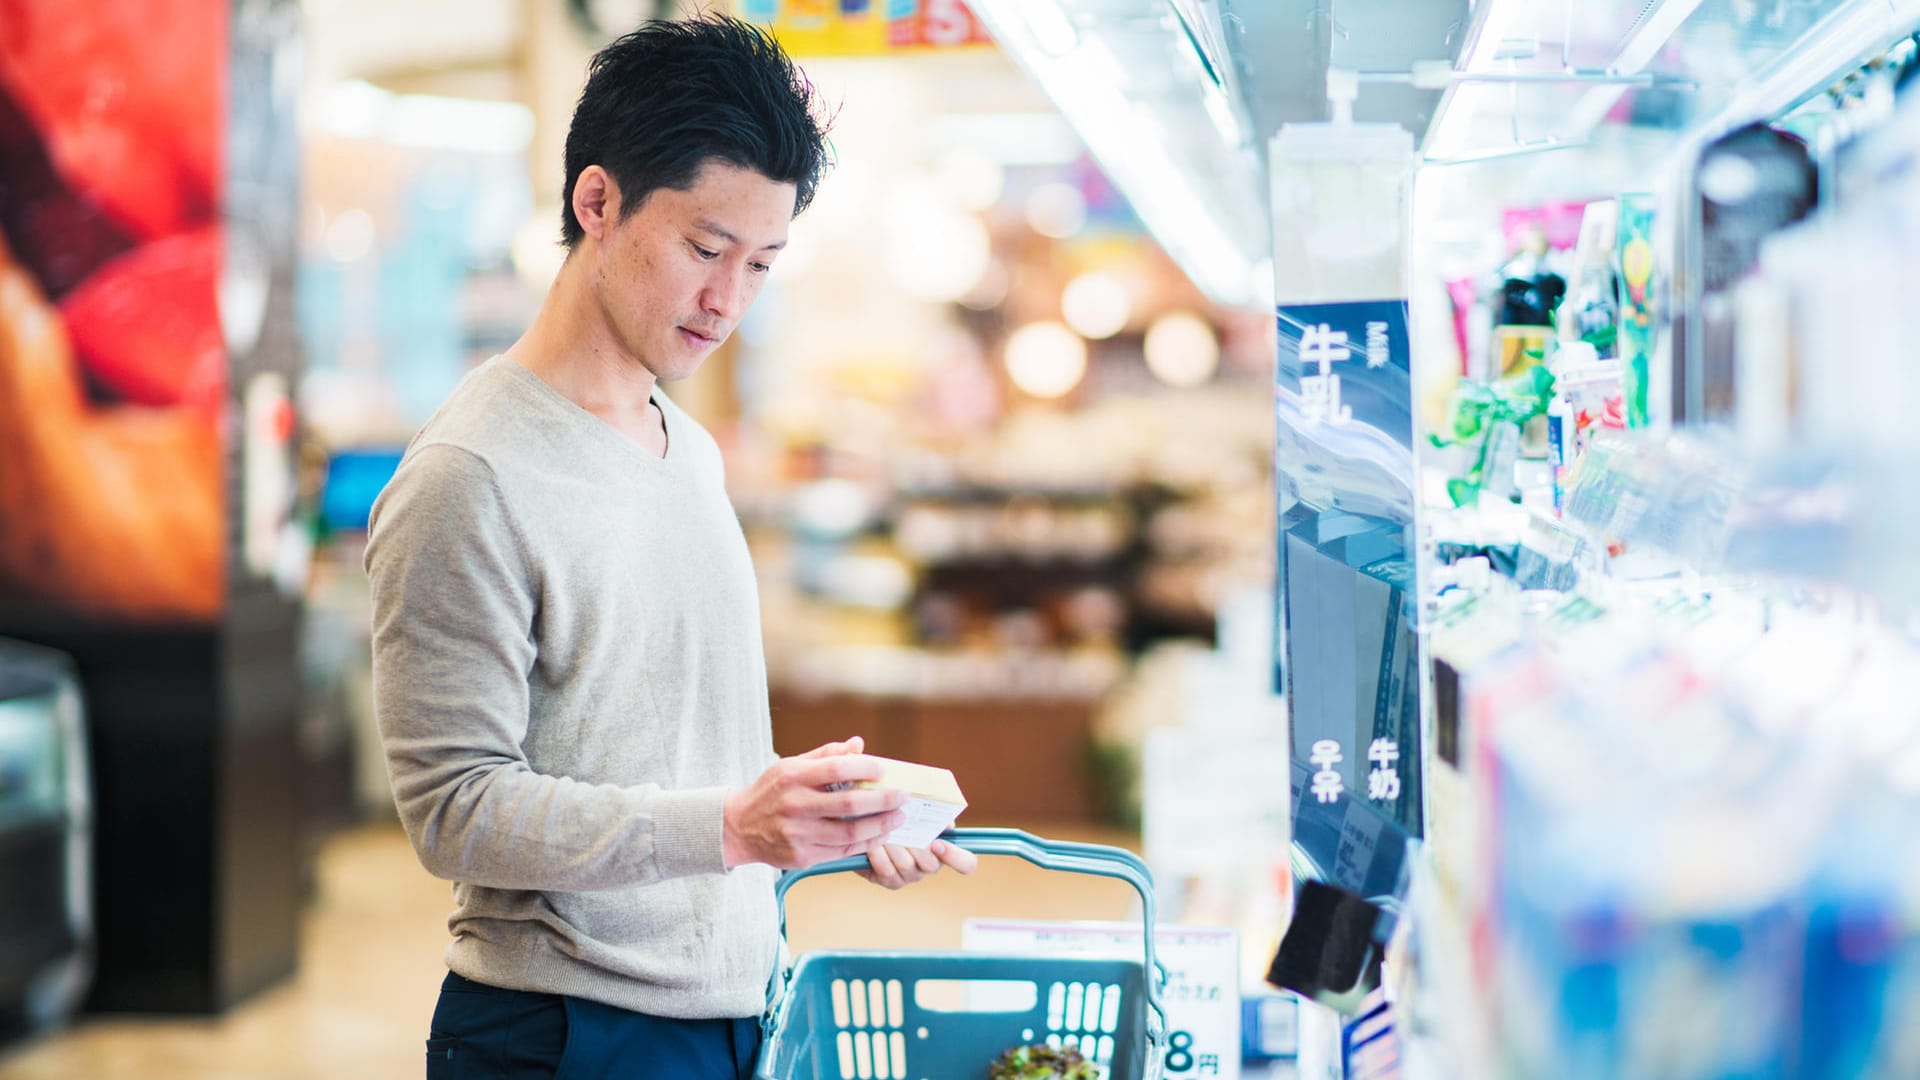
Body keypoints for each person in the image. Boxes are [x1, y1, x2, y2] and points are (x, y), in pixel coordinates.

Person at [364, 15, 974, 1078]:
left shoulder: (684, 450)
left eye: (762, 265)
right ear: (596, 202)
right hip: (568, 1032)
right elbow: (453, 811)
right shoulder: (469, 476)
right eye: (704, 248)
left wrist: (803, 819)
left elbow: (658, 767)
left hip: (734, 1013)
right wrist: (734, 825)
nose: (727, 301)